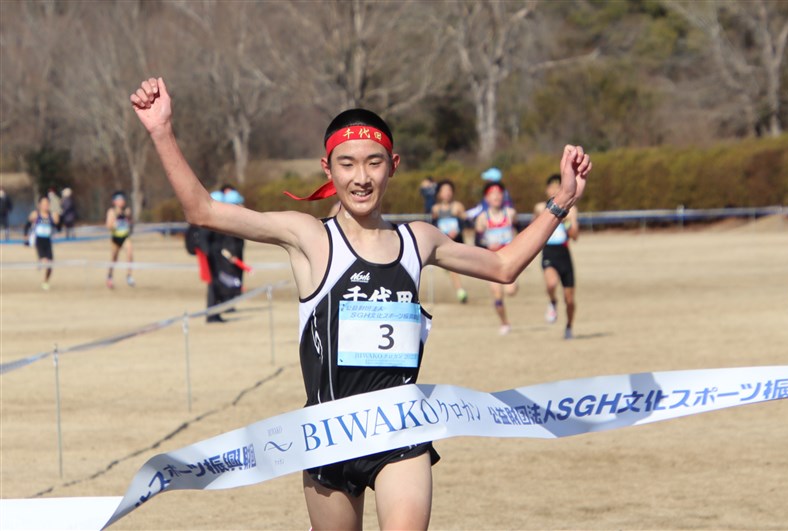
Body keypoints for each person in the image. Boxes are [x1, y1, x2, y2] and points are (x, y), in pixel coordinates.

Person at [130, 76, 591, 530]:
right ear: (328, 170)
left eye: (374, 163)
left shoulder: (419, 240)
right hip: (328, 436)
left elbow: (504, 265)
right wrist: (161, 132)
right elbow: (203, 211)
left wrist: (562, 200)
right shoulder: (309, 238)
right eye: (347, 164)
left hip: (401, 433)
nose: (362, 178)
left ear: (393, 164)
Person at [534, 174, 580, 339]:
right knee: (551, 283)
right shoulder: (540, 208)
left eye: (557, 186)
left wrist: (566, 221)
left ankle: (569, 326)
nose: (554, 190)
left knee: (569, 299)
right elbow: (534, 230)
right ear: (546, 190)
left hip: (564, 253)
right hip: (548, 251)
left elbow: (575, 236)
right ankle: (552, 302)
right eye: (551, 187)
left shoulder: (571, 210)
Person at [474, 182, 519, 335]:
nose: (496, 197)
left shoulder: (510, 213)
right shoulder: (482, 218)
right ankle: (504, 322)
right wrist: (487, 243)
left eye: (499, 193)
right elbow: (477, 241)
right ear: (486, 198)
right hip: (492, 260)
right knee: (497, 295)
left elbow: (519, 232)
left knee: (511, 291)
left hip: (509, 259)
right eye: (492, 194)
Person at [430, 179, 468, 303]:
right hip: (443, 243)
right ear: (439, 194)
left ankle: (460, 290)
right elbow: (434, 225)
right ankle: (460, 291)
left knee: (454, 268)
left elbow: (465, 223)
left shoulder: (458, 206)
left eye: (449, 190)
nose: (447, 193)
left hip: (457, 241)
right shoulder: (435, 209)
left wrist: (457, 230)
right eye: (444, 191)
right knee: (453, 268)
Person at [27, 195, 59, 290]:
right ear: (40, 205)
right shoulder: (35, 214)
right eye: (43, 204)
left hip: (48, 240)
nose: (45, 205)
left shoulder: (52, 215)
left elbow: (57, 224)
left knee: (50, 264)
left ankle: (45, 281)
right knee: (44, 260)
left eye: (47, 204)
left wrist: (56, 219)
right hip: (39, 240)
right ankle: (40, 261)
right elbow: (28, 223)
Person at [105, 191, 135, 289]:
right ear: (115, 201)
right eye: (120, 200)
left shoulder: (127, 211)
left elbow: (131, 225)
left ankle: (129, 276)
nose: (122, 202)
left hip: (125, 236)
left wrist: (129, 217)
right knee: (114, 259)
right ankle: (109, 276)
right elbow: (108, 226)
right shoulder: (112, 211)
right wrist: (114, 223)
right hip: (116, 238)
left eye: (123, 199)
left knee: (130, 253)